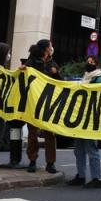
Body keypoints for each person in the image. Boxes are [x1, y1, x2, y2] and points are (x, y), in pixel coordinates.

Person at [23, 40, 58, 174]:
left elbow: (61, 82)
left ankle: (51, 163)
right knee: (33, 134)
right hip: (33, 103)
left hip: (48, 104)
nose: (51, 48)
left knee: (50, 133)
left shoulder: (53, 64)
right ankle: (32, 160)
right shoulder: (31, 62)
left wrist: (56, 73)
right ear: (46, 49)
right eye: (50, 46)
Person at [71, 56, 101, 188]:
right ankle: (81, 175)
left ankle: (97, 178)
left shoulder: (99, 78)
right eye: (87, 61)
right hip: (81, 118)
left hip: (91, 119)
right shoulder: (85, 78)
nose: (88, 64)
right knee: (78, 149)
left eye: (91, 62)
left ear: (96, 64)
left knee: (91, 148)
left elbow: (97, 95)